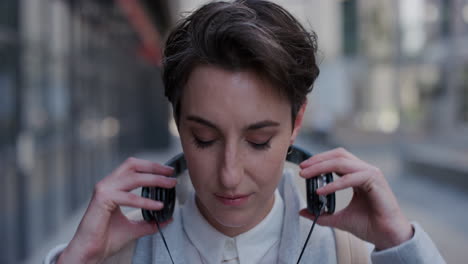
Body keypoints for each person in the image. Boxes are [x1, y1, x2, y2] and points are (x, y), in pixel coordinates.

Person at [45, 1, 445, 263]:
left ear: (297, 123)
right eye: (204, 139)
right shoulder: (122, 254)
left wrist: (401, 244)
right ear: (178, 124)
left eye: (258, 141)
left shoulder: (349, 254)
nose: (229, 175)